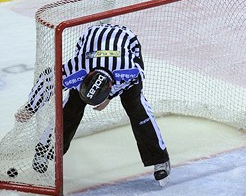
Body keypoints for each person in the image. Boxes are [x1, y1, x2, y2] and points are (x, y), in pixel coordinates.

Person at [15, 24, 171, 187]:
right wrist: (30, 107)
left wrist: (109, 96)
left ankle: (160, 159)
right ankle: (45, 150)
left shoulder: (128, 70)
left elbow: (137, 77)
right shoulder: (77, 68)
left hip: (127, 41)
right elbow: (48, 80)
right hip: (89, 39)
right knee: (73, 105)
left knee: (136, 105)